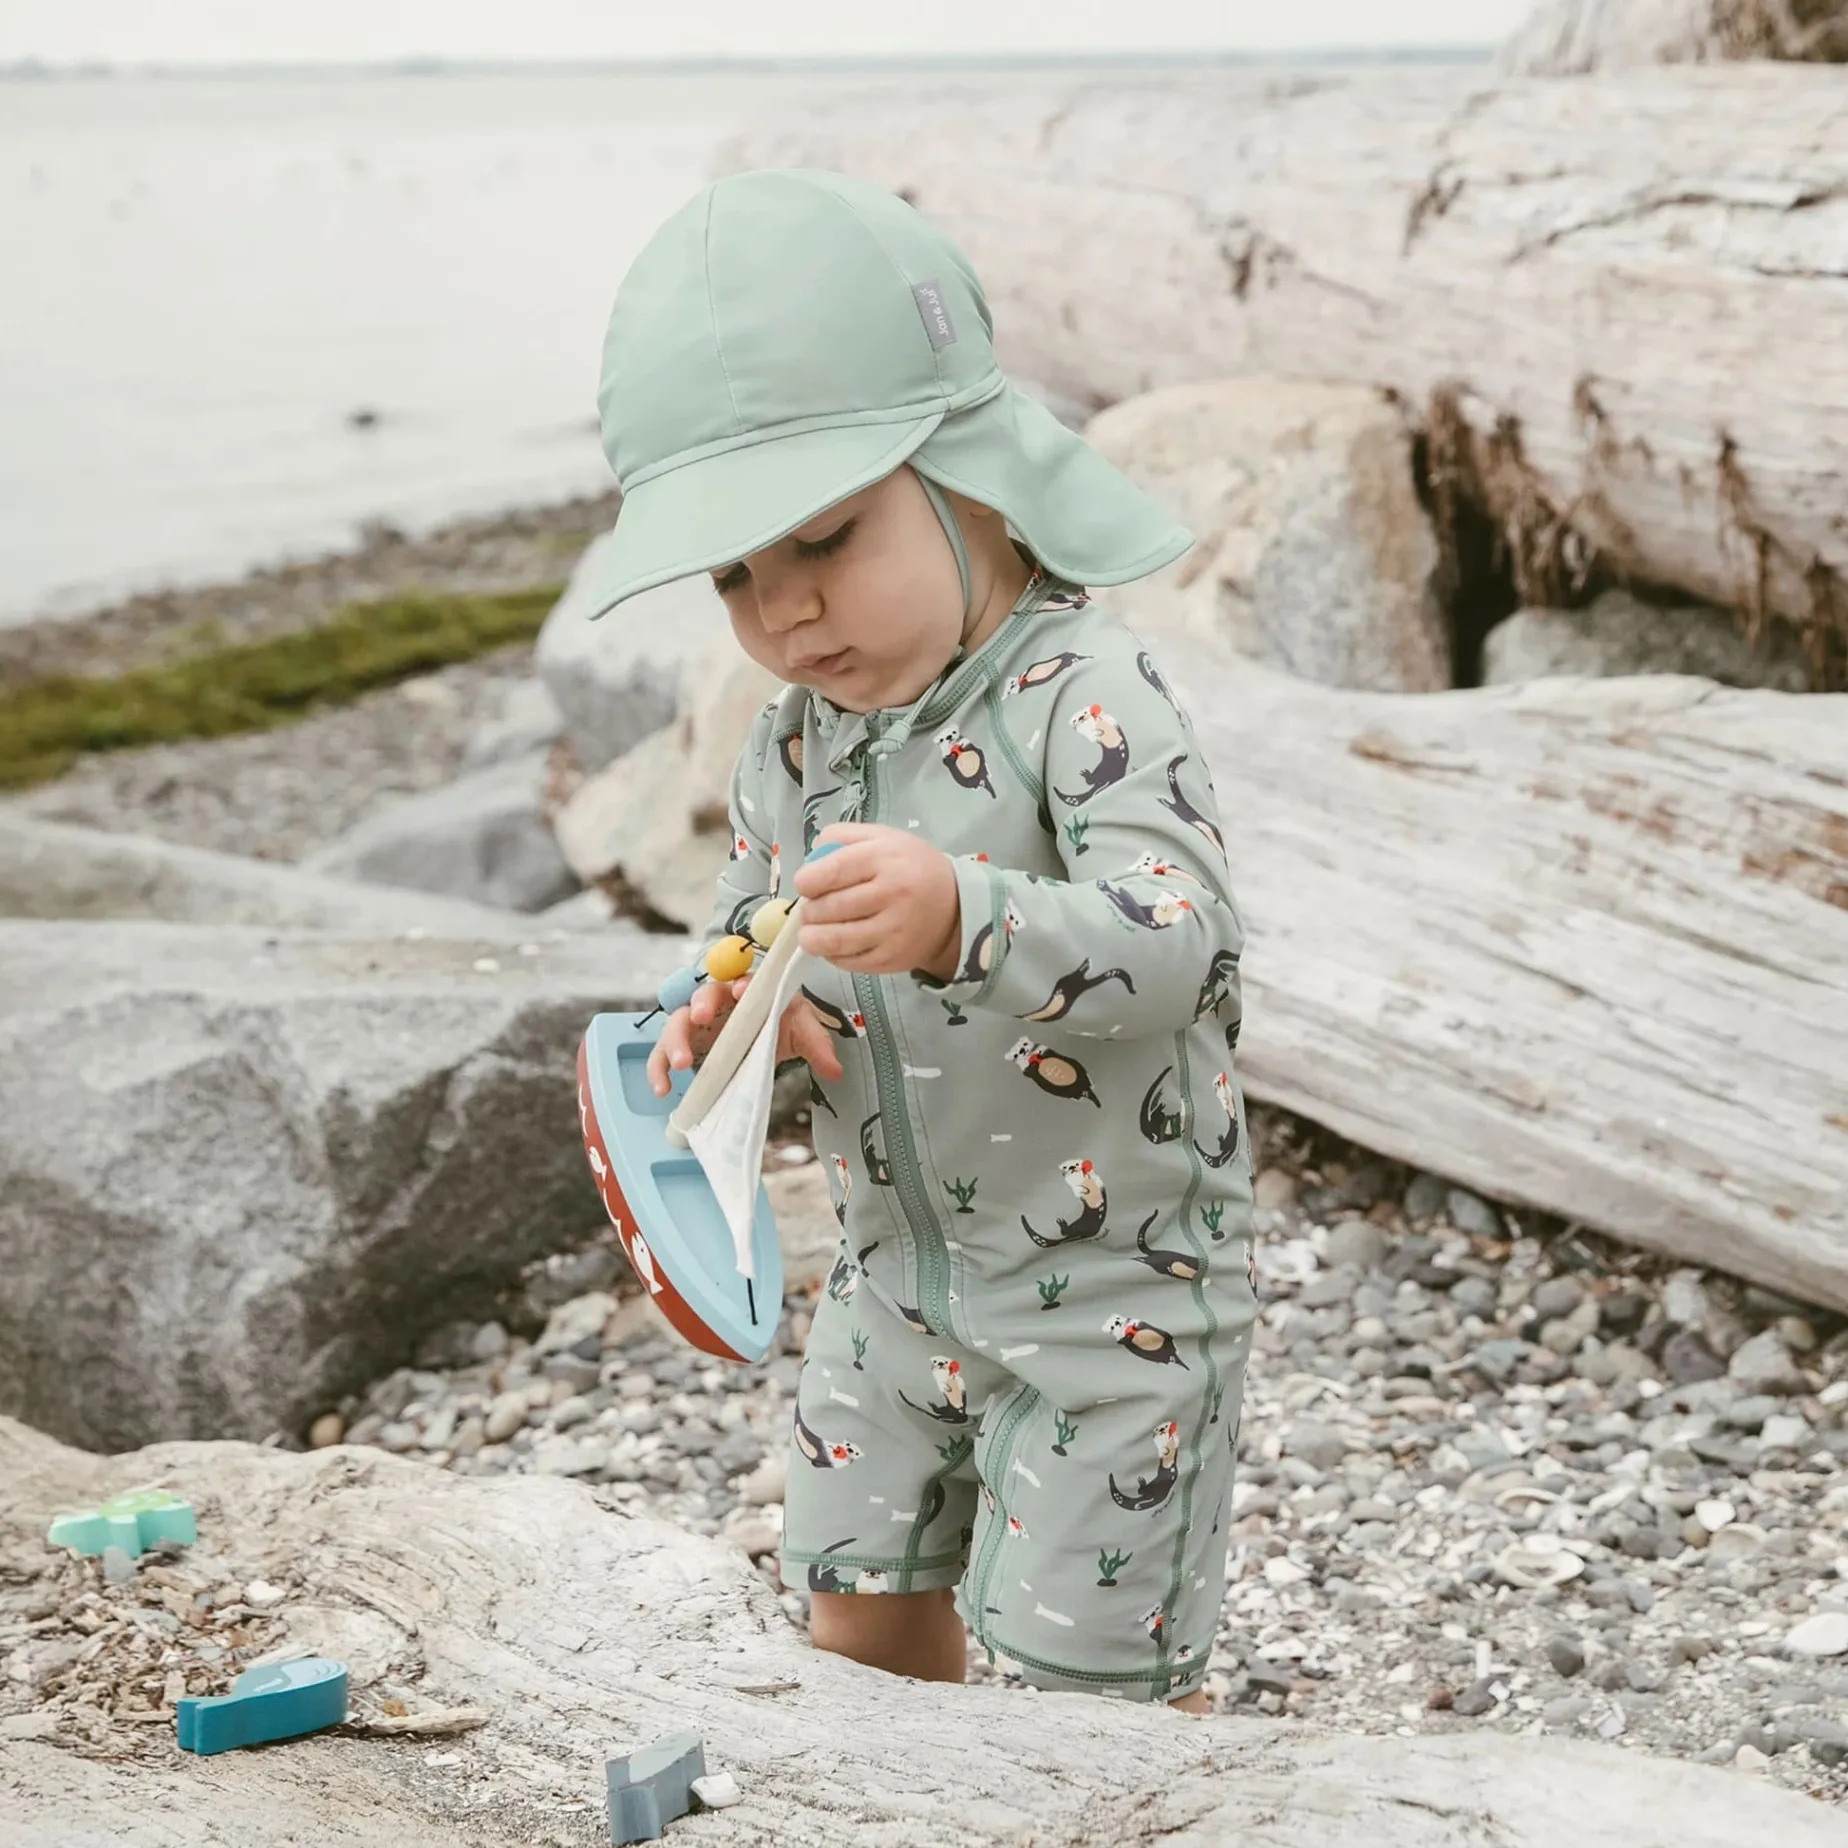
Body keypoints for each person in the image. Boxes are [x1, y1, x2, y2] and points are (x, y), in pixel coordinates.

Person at [588, 168, 1256, 1711]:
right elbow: (754, 932)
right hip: (891, 1288)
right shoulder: (791, 745)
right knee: (857, 1618)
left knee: (1097, 1699)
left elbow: (1187, 946)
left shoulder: (1085, 697)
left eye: (823, 538)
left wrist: (967, 915)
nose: (784, 613)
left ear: (970, 474)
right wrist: (735, 1018)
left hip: (1116, 1301)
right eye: (735, 573)